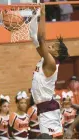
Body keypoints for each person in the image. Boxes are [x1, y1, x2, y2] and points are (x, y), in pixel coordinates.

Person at [29, 4, 69, 138]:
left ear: (57, 53)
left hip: (49, 110)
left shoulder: (51, 62)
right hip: (44, 109)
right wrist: (33, 23)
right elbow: (37, 41)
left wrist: (43, 13)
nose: (49, 45)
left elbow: (41, 39)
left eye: (53, 46)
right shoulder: (46, 59)